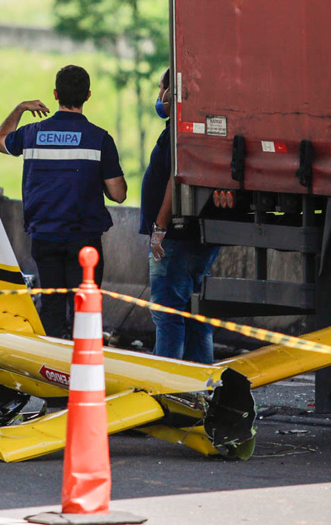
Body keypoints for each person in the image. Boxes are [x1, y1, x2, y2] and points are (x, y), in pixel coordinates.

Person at [0, 64, 127, 338]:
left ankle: (52, 371)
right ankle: (81, 373)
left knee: (52, 310)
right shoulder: (99, 139)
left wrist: (19, 108)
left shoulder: (32, 134)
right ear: (88, 96)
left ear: (55, 94)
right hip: (84, 241)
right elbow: (119, 194)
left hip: (45, 237)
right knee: (84, 311)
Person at [139, 67, 220, 364]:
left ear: (172, 92)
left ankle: (168, 387)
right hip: (195, 236)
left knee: (167, 313)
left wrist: (159, 228)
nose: (159, 97)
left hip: (174, 238)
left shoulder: (177, 134)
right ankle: (200, 386)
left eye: (162, 89)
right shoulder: (193, 131)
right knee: (193, 313)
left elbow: (175, 179)